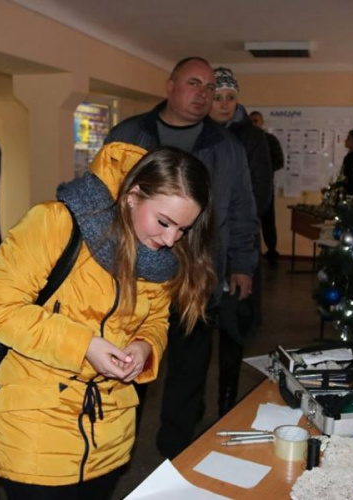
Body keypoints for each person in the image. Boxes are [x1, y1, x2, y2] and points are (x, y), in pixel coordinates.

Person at [0, 143, 216, 498]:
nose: (170, 240)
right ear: (133, 196)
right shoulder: (55, 222)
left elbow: (157, 320)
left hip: (109, 432)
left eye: (183, 230)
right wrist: (84, 346)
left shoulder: (159, 259)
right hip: (34, 431)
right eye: (164, 222)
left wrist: (144, 347)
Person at [106, 56, 259, 458]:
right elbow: (106, 200)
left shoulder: (226, 146)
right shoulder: (130, 134)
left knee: (189, 370)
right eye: (194, 83)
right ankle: (118, 445)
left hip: (198, 277)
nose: (203, 95)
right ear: (170, 85)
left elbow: (243, 207)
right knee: (130, 364)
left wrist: (243, 265)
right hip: (135, 276)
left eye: (210, 88)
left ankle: (176, 451)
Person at [208, 67, 273, 416]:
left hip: (236, 248)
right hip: (201, 255)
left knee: (232, 332)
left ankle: (227, 403)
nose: (223, 104)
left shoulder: (252, 139)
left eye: (230, 98)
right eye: (217, 97)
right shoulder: (197, 135)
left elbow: (259, 196)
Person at [249, 110, 284, 268]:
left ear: (262, 122)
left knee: (269, 222)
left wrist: (263, 170)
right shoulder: (244, 140)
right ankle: (249, 253)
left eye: (256, 121)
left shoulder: (270, 140)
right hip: (247, 189)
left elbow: (279, 161)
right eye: (251, 121)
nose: (254, 124)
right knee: (248, 221)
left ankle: (272, 253)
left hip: (266, 187)